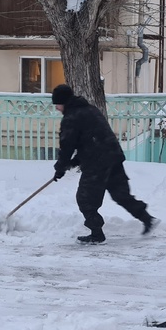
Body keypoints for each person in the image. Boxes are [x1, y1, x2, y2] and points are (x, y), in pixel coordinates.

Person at [50, 84, 157, 244]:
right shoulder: (90, 110)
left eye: (57, 104)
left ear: (64, 102)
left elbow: (67, 146)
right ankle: (147, 218)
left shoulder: (71, 117)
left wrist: (60, 167)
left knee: (85, 199)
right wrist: (73, 162)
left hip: (97, 163)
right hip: (113, 157)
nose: (57, 108)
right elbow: (93, 138)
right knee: (121, 195)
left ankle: (96, 234)